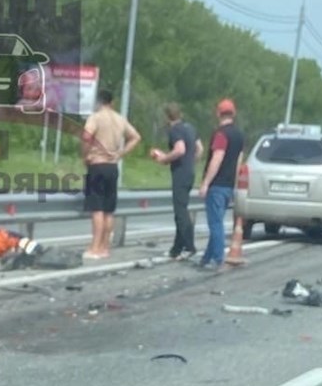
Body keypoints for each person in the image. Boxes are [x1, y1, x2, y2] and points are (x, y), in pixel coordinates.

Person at [81, 88, 141, 259]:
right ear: (112, 102)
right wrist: (120, 153)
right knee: (108, 209)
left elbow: (86, 137)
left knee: (97, 208)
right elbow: (136, 137)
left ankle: (95, 247)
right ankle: (105, 247)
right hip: (113, 167)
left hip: (97, 164)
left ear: (98, 102)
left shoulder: (96, 117)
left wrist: (85, 156)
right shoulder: (119, 119)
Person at [150, 102, 203, 260]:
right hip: (190, 172)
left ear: (168, 117)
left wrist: (164, 158)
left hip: (180, 173)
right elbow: (200, 148)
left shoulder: (175, 130)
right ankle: (176, 248)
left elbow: (180, 150)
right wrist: (191, 162)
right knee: (182, 209)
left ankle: (189, 246)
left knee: (180, 212)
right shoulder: (190, 128)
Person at [196, 98, 244, 272]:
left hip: (217, 185)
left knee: (215, 224)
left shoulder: (221, 134)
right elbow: (239, 160)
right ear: (233, 114)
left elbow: (217, 158)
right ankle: (207, 257)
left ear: (218, 113)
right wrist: (235, 183)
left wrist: (206, 183)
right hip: (228, 185)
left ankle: (218, 259)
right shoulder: (239, 135)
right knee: (217, 221)